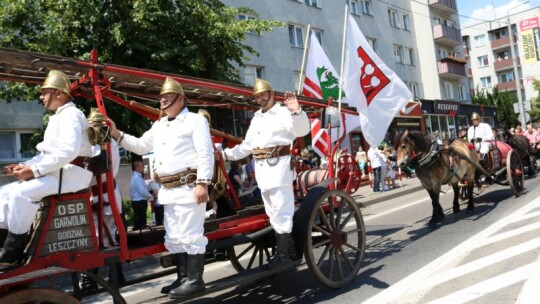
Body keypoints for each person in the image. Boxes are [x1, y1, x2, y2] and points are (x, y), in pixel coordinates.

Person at [107, 77, 213, 298]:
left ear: (180, 98)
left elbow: (205, 153)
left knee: (191, 235)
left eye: (167, 96)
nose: (162, 100)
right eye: (161, 97)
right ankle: (183, 278)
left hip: (188, 187)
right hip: (168, 191)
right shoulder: (158, 125)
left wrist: (203, 183)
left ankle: (195, 281)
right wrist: (116, 134)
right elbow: (140, 145)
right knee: (174, 237)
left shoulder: (195, 121)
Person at [0, 70, 93, 264]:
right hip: (59, 172)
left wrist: (33, 171)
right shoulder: (60, 116)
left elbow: (67, 152)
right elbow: (47, 155)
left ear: (58, 93)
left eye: (44, 92)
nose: (41, 97)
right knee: (4, 193)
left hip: (72, 173)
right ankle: (5, 243)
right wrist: (24, 165)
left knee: (21, 194)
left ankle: (13, 251)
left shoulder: (72, 115)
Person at [221, 79, 309, 269]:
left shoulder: (284, 112)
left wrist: (296, 111)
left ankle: (284, 254)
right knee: (272, 212)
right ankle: (289, 250)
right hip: (262, 171)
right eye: (257, 96)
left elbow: (301, 130)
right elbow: (247, 146)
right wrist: (225, 154)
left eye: (262, 94)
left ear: (271, 94)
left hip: (279, 168)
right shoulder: (257, 118)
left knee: (282, 211)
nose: (260, 98)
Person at [130, 160, 153, 230]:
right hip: (139, 202)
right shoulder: (136, 178)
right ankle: (139, 238)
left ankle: (140, 236)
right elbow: (142, 191)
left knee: (141, 222)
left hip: (140, 202)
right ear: (137, 167)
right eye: (142, 166)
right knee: (140, 224)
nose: (143, 167)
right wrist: (151, 196)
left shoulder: (138, 177)